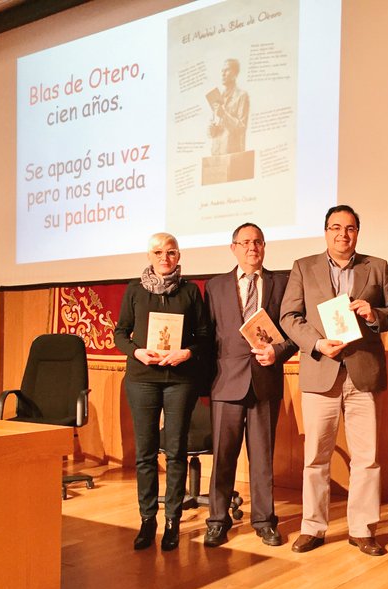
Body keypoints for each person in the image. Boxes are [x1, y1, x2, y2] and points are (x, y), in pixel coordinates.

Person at [280, 205, 388, 555]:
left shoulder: (376, 266)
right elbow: (289, 316)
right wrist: (317, 343)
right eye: (335, 228)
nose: (342, 235)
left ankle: (362, 529)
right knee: (316, 458)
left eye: (349, 229)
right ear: (325, 232)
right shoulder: (304, 267)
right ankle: (313, 527)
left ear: (357, 233)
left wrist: (374, 313)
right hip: (321, 371)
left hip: (363, 374)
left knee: (367, 458)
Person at [204, 222, 297, 547]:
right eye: (245, 243)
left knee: (262, 458)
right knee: (223, 456)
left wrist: (279, 352)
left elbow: (293, 333)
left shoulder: (281, 283)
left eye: (257, 242)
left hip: (265, 380)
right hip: (225, 383)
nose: (252, 247)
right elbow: (208, 336)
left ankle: (264, 520)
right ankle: (217, 520)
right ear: (234, 248)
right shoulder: (214, 287)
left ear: (264, 246)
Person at [114, 233, 209, 551]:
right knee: (144, 454)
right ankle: (147, 520)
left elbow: (205, 336)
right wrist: (136, 351)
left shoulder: (190, 291)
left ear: (178, 256)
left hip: (180, 380)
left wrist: (187, 352)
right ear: (149, 255)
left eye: (170, 252)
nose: (164, 257)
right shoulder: (134, 290)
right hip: (142, 378)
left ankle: (172, 521)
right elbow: (120, 332)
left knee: (176, 451)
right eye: (158, 252)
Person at [207, 58, 249, 156]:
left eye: (227, 70)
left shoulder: (242, 96)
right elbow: (214, 130)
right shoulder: (217, 97)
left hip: (232, 156)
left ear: (235, 74)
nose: (223, 73)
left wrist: (224, 115)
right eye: (222, 70)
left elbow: (242, 128)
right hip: (215, 155)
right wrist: (211, 130)